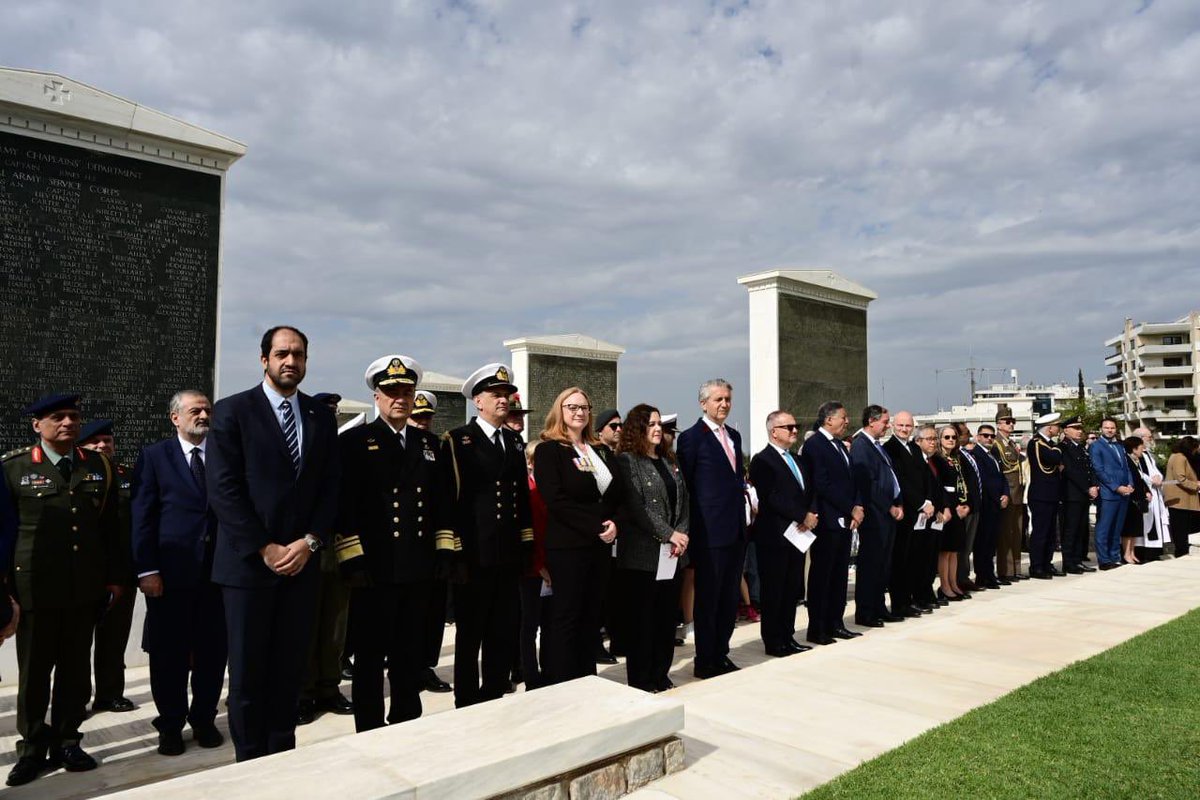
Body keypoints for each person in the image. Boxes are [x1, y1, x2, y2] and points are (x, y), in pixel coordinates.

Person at [207, 325, 340, 762]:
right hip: (249, 567)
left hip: (302, 565)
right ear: (264, 359)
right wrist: (264, 547)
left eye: (299, 354)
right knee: (248, 674)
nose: (291, 362)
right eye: (282, 353)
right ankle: (249, 762)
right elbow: (224, 489)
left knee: (289, 671)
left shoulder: (320, 417)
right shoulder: (232, 411)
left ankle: (283, 756)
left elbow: (328, 489)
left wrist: (311, 541)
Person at [3, 394, 125, 786]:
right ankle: (33, 748)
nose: (69, 423)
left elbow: (109, 530)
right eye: (58, 417)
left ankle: (69, 740)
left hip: (84, 589)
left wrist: (111, 580)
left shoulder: (99, 466)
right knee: (34, 674)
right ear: (37, 425)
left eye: (74, 417)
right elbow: (4, 534)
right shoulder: (14, 468)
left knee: (75, 672)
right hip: (35, 589)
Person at [336, 355, 452, 731]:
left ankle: (407, 719)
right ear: (377, 396)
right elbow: (345, 504)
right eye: (391, 392)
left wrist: (444, 550)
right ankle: (369, 726)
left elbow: (441, 502)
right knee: (370, 656)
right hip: (375, 568)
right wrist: (352, 559)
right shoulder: (355, 442)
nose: (399, 398)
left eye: (406, 391)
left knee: (409, 652)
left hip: (417, 565)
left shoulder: (428, 443)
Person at [130, 390, 226, 756]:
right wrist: (147, 569)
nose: (203, 415)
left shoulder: (223, 455)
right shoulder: (154, 457)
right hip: (169, 578)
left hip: (216, 576)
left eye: (206, 410)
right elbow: (143, 517)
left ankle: (203, 719)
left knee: (212, 655)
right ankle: (170, 724)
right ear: (175, 418)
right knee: (169, 656)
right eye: (194, 410)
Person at [443, 363, 532, 707]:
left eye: (507, 395)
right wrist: (456, 553)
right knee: (470, 634)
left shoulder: (512, 440)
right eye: (496, 395)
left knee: (503, 630)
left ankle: (495, 693)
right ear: (477, 400)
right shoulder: (459, 440)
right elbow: (453, 500)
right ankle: (466, 699)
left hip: (507, 554)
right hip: (475, 555)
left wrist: (525, 542)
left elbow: (520, 496)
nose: (503, 401)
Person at [533, 387, 625, 684]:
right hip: (569, 545)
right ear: (560, 410)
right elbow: (555, 500)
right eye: (572, 407)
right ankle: (560, 681)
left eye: (584, 407)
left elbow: (619, 495)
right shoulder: (550, 450)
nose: (579, 412)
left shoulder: (600, 450)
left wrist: (615, 524)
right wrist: (596, 525)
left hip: (599, 546)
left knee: (591, 617)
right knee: (567, 616)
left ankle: (586, 679)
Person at [614, 404, 690, 689]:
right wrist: (669, 534)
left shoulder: (671, 460)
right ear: (638, 429)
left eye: (659, 423)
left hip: (672, 555)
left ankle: (661, 673)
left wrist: (681, 535)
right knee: (642, 623)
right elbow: (637, 508)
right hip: (641, 557)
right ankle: (642, 680)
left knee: (665, 619)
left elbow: (684, 502)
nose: (658, 429)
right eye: (650, 424)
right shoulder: (627, 461)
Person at [677, 379, 749, 674]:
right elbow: (688, 486)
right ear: (703, 403)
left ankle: (721, 651)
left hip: (735, 530)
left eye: (728, 399)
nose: (724, 404)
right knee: (709, 597)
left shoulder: (734, 435)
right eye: (718, 399)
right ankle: (705, 659)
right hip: (708, 532)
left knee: (729, 596)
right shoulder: (692, 438)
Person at [77, 418, 139, 714]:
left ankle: (110, 693)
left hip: (122, 572)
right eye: (94, 442)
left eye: (107, 441)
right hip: (82, 574)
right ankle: (76, 699)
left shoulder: (128, 475)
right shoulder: (74, 475)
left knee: (114, 639)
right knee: (76, 643)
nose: (102, 446)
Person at [747, 410, 814, 656]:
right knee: (774, 590)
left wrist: (810, 514)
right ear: (774, 431)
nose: (794, 430)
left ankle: (788, 636)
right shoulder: (762, 460)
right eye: (789, 427)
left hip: (799, 534)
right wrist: (801, 515)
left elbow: (809, 490)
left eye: (796, 426)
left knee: (791, 589)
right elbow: (771, 496)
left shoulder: (798, 459)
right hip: (775, 535)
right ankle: (774, 641)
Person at [800, 401, 864, 645]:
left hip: (845, 521)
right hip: (827, 520)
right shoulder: (815, 445)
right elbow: (822, 484)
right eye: (843, 417)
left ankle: (836, 623)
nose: (847, 421)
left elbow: (851, 480)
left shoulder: (839, 445)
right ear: (829, 420)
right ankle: (818, 628)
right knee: (822, 576)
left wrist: (857, 506)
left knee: (839, 576)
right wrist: (850, 507)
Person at [407, 388, 451, 693]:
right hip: (402, 545)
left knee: (432, 614)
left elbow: (446, 499)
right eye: (417, 416)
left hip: (431, 546)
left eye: (426, 417)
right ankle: (407, 667)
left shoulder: (437, 446)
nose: (422, 422)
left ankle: (425, 666)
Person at [850, 405, 903, 628]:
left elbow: (887, 476)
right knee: (871, 564)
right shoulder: (861, 445)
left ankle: (879, 606)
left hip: (887, 514)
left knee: (883, 564)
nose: (887, 425)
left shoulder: (877, 446)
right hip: (875, 515)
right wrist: (888, 506)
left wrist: (898, 502)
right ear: (871, 421)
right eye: (884, 421)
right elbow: (868, 483)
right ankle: (866, 611)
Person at [884, 412, 936, 616]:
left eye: (908, 425)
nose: (904, 429)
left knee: (916, 559)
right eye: (901, 425)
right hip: (906, 511)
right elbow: (900, 482)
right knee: (901, 560)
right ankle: (900, 603)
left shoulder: (914, 447)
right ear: (892, 426)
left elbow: (927, 477)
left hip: (922, 514)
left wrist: (929, 501)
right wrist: (921, 503)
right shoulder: (890, 449)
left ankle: (912, 599)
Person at [518, 441, 550, 690]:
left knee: (550, 623)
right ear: (530, 463)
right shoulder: (527, 491)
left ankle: (550, 670)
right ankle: (531, 676)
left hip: (553, 567)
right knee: (529, 626)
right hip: (532, 570)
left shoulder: (552, 489)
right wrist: (539, 566)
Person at [913, 425, 951, 604]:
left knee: (931, 557)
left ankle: (927, 593)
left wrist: (944, 508)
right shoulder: (916, 461)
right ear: (918, 441)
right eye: (929, 439)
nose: (933, 442)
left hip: (937, 516)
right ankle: (920, 595)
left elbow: (940, 488)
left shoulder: (935, 461)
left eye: (934, 439)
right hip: (923, 516)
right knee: (920, 558)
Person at [1090, 417, 1134, 571]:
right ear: (1101, 429)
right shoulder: (1096, 446)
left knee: (1117, 528)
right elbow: (1099, 470)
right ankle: (1104, 560)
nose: (1110, 430)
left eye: (1112, 428)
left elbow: (1126, 467)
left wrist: (1130, 484)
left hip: (1124, 493)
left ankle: (1115, 557)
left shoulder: (1120, 446)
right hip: (1109, 493)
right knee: (1104, 528)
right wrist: (1116, 487)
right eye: (1107, 427)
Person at [970, 424, 1010, 588]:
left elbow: (1002, 477)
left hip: (996, 505)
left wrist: (1006, 494)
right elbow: (983, 481)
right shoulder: (976, 455)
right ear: (978, 436)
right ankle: (983, 576)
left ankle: (989, 574)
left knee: (991, 543)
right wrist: (996, 497)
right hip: (986, 505)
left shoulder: (993, 454)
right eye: (985, 435)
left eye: (992, 436)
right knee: (982, 543)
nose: (989, 439)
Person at [934, 426, 972, 601]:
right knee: (945, 550)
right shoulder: (937, 458)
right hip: (947, 507)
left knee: (954, 550)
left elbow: (963, 483)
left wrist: (965, 504)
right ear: (939, 439)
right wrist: (950, 506)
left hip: (958, 506)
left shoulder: (956, 458)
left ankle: (953, 583)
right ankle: (945, 586)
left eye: (954, 437)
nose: (951, 440)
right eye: (946, 437)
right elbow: (940, 487)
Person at [1058, 416, 1098, 574]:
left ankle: (1078, 560)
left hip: (1082, 495)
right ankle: (1069, 562)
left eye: (1080, 428)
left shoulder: (1080, 447)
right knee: (1070, 530)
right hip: (1071, 495)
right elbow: (1070, 472)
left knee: (1081, 529)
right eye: (1075, 428)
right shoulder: (1063, 447)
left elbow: (1089, 468)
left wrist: (1093, 484)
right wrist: (1087, 488)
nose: (1079, 431)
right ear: (1066, 430)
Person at [1027, 413, 1065, 578]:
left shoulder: (1048, 443)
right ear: (1050, 428)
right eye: (1057, 426)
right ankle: (1036, 566)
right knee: (1040, 532)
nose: (1059, 429)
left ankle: (1046, 563)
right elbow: (1054, 457)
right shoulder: (1036, 443)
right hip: (1040, 495)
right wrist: (1057, 448)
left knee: (1050, 532)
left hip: (1051, 494)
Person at [992, 409, 1027, 580]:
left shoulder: (1011, 444)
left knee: (1017, 533)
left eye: (1012, 421)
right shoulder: (996, 443)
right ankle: (1005, 571)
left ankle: (1016, 569)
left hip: (1018, 494)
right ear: (998, 424)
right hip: (1007, 494)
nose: (1011, 424)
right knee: (1005, 534)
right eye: (1007, 421)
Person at [1132, 427, 1170, 561]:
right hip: (1145, 492)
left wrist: (1159, 477)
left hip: (1155, 492)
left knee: (1155, 523)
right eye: (1148, 437)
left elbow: (1154, 470)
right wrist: (1151, 480)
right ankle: (1142, 554)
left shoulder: (1147, 454)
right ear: (1140, 438)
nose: (1150, 439)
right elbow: (1137, 472)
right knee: (1145, 524)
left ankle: (1153, 553)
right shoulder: (1133, 454)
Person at [953, 422, 984, 590]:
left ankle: (964, 577)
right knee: (961, 547)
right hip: (964, 507)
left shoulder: (967, 454)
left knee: (968, 546)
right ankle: (959, 579)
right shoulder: (956, 455)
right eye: (965, 432)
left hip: (975, 506)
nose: (969, 434)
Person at [1163, 437, 1198, 557]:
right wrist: (1196, 485)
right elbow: (1180, 478)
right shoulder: (1180, 457)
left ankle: (1182, 550)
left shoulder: (1176, 456)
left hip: (1179, 499)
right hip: (1179, 499)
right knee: (1180, 529)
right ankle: (1181, 552)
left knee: (1180, 528)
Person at [1120, 437, 1153, 565]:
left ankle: (1132, 552)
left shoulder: (1137, 460)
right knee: (1128, 529)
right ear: (1134, 449)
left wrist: (1146, 492)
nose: (1143, 450)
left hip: (1138, 498)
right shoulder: (1127, 460)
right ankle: (1126, 554)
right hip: (1131, 499)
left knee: (1134, 530)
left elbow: (1141, 479)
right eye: (1141, 447)